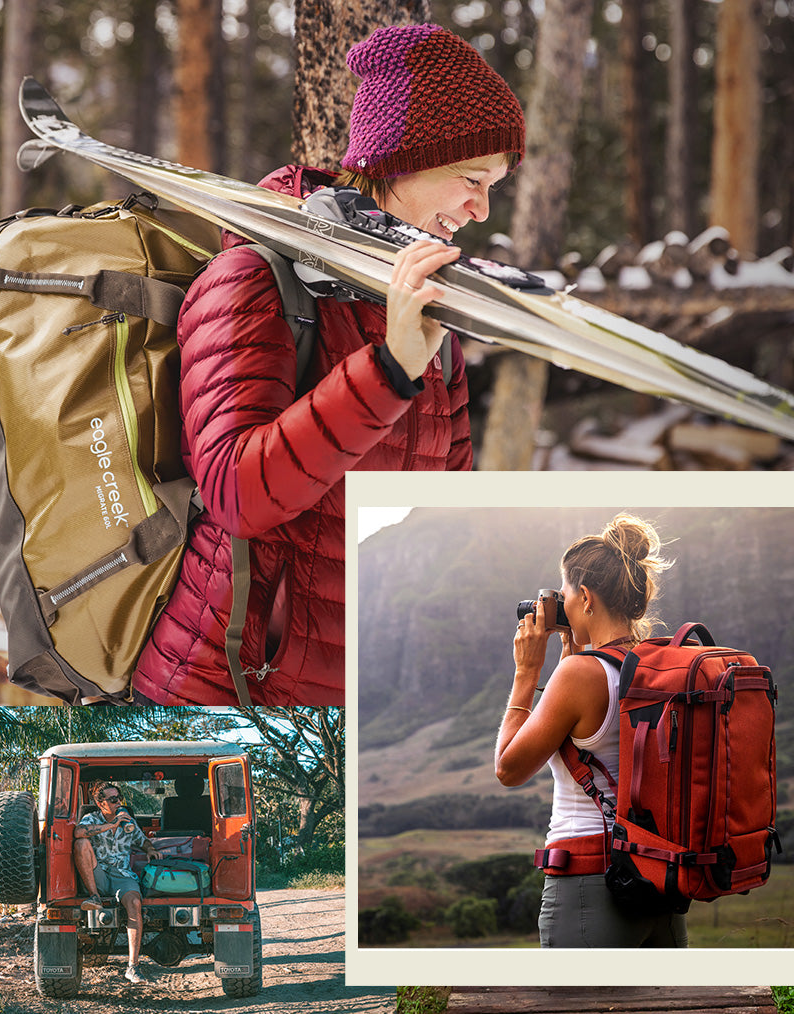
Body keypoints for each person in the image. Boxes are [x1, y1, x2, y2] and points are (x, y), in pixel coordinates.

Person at [132, 23, 526, 707]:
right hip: (223, 692)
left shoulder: (437, 326)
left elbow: (444, 515)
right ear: (402, 158)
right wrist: (388, 373)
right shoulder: (253, 278)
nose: (481, 208)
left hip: (344, 700)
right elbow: (235, 494)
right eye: (469, 178)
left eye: (492, 185)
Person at [493, 514, 688, 948]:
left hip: (589, 885)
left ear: (584, 597)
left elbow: (508, 769)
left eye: (563, 591)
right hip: (658, 880)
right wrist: (572, 655)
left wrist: (526, 673)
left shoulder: (580, 675)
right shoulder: (658, 665)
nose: (559, 601)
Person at [74, 782, 161, 984]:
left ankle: (132, 966)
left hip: (122, 873)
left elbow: (142, 839)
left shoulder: (127, 821)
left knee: (134, 903)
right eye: (112, 800)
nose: (118, 803)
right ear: (99, 802)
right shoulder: (91, 818)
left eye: (119, 798)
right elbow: (78, 833)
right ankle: (94, 897)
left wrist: (149, 849)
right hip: (99, 873)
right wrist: (112, 824)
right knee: (81, 843)